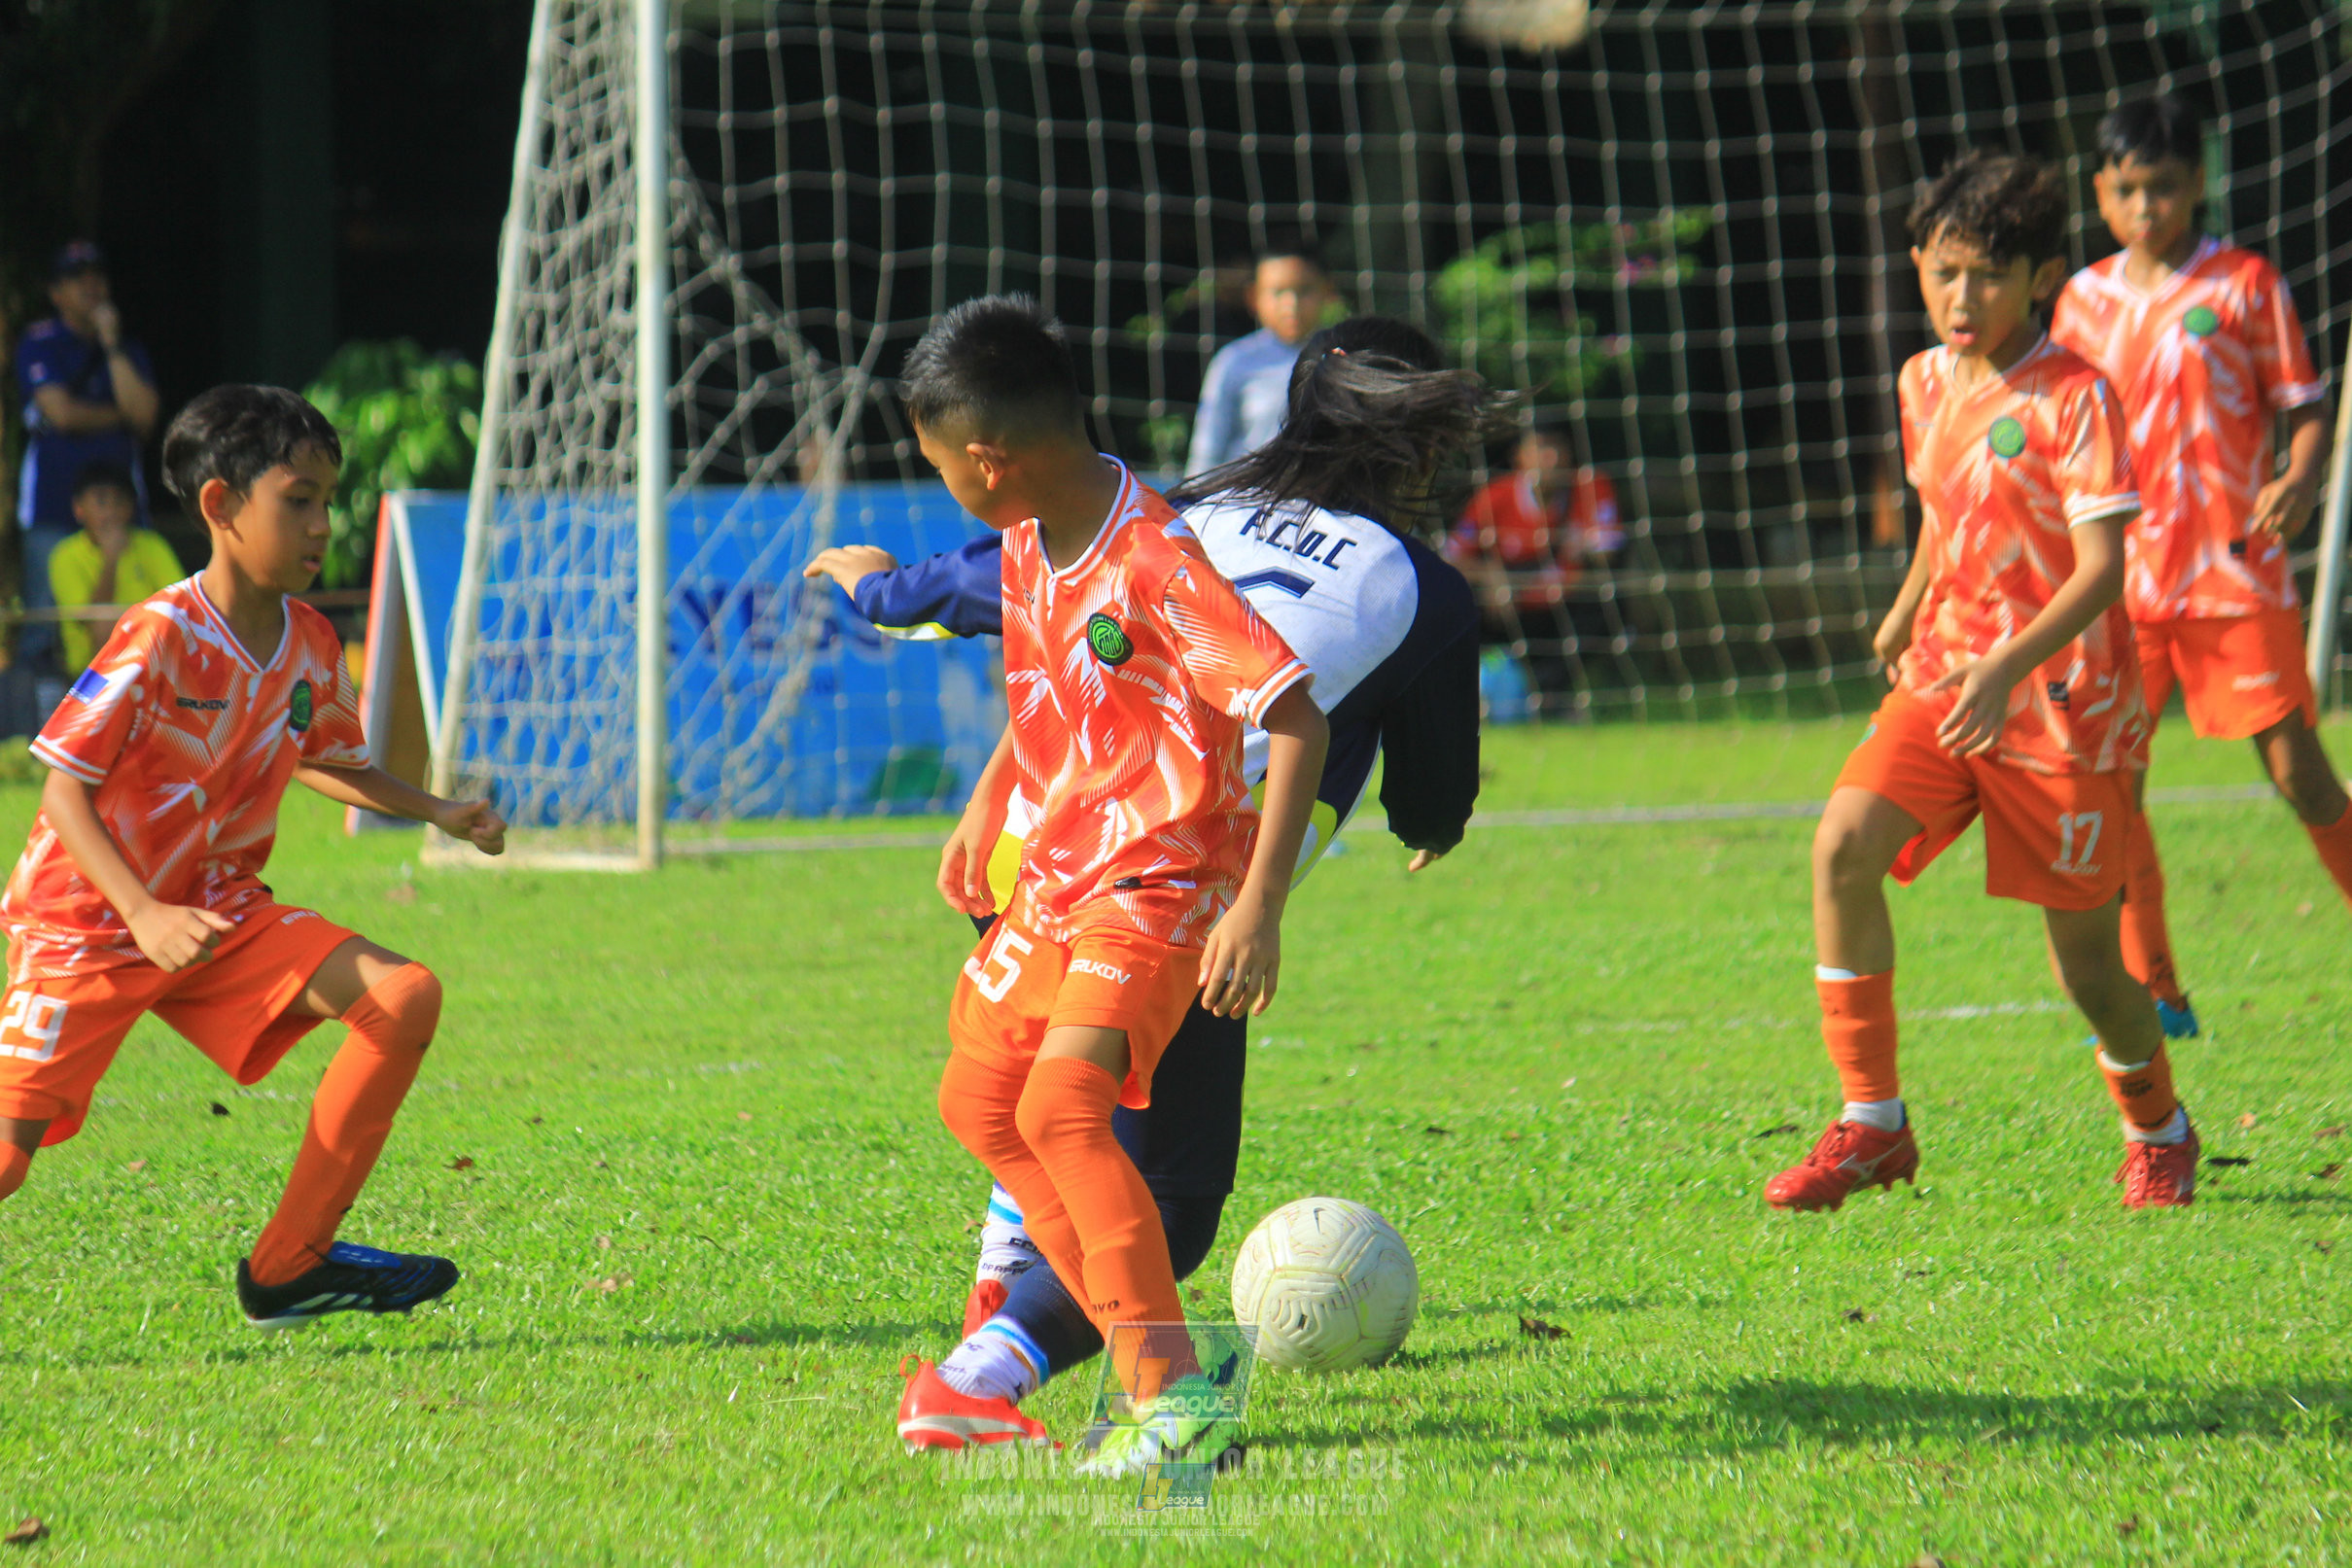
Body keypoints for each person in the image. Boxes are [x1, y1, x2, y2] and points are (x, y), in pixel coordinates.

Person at [806, 315, 1490, 1448]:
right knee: (1094, 1156)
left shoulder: (1178, 518)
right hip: (1110, 864)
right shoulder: (1405, 582)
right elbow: (1416, 788)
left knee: (1057, 1110)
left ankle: (1078, 1368)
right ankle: (1031, 1354)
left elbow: (953, 598)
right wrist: (1404, 836)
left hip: (1122, 869)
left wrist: (880, 595)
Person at [872, 296, 1328, 1476]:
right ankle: (1157, 1376)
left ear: (988, 458)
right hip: (1062, 871)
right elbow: (1054, 697)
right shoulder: (1031, 537)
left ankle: (1174, 1404)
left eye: (939, 467)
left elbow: (1294, 714)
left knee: (1061, 1112)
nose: (943, 488)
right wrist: (992, 799)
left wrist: (1260, 904)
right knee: (980, 1101)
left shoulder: (1155, 561)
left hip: (1160, 879)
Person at [0, 385, 509, 1329]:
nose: (322, 524)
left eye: (328, 500)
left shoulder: (311, 641)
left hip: (215, 909)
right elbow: (63, 788)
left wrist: (437, 809)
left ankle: (290, 1266)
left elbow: (328, 758)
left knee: (401, 997)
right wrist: (143, 913)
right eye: (298, 499)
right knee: (7, 1157)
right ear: (221, 505)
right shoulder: (161, 632)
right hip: (91, 921)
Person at [1772, 151, 2199, 1215]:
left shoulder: (2076, 397)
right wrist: (1909, 602)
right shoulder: (1922, 380)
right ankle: (1872, 1122)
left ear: (2042, 278)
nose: (1962, 298)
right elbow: (1944, 504)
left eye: (1990, 276)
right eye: (1944, 271)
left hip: (2062, 709)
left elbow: (2101, 571)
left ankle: (2158, 1125)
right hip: (1945, 679)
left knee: (2086, 968)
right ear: (1919, 264)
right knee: (1840, 847)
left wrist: (2008, 664)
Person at [2050, 94, 2338, 1038]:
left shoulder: (2245, 284)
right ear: (2101, 190)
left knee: (2299, 772)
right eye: (2127, 189)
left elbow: (2303, 403)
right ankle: (2157, 989)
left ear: (2198, 182)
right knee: (2113, 789)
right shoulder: (2079, 300)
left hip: (2231, 574)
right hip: (2118, 587)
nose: (2146, 207)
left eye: (2164, 187)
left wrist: (2298, 476)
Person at [13, 243, 159, 686]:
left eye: (97, 276)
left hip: (121, 506)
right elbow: (61, 414)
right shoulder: (41, 342)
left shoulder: (127, 348)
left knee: (140, 616)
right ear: (56, 292)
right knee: (44, 628)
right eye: (78, 278)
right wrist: (119, 416)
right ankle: (44, 722)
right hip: (53, 505)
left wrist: (111, 345)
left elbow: (145, 416)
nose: (91, 286)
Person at [1447, 415, 1623, 709]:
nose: (1550, 458)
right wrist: (1491, 577)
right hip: (1508, 609)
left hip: (1564, 607)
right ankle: (1480, 690)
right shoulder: (1494, 497)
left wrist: (1581, 544)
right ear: (1520, 455)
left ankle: (1548, 697)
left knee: (1608, 602)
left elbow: (1609, 550)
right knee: (1457, 605)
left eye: (1557, 447)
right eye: (1541, 447)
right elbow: (1452, 556)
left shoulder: (1590, 486)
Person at [1185, 234, 1342, 474]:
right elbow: (1206, 453)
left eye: (1304, 290)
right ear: (1253, 297)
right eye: (1277, 292)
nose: (1291, 304)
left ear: (1327, 291)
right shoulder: (1235, 361)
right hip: (1246, 494)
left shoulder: (1341, 358)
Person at [50, 461, 185, 675]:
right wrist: (111, 559)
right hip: (91, 672)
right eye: (101, 502)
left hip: (151, 661)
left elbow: (179, 604)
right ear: (78, 508)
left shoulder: (152, 545)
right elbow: (91, 621)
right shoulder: (65, 555)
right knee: (104, 626)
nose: (111, 512)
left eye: (120, 502)